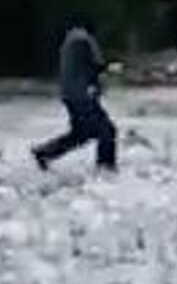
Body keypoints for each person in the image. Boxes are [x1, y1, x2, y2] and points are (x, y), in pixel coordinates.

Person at [33, 20, 118, 172]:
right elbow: (91, 67)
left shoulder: (71, 40)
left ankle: (45, 153)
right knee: (107, 130)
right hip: (81, 96)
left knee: (82, 133)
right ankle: (106, 168)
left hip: (71, 95)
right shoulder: (83, 41)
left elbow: (81, 68)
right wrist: (109, 68)